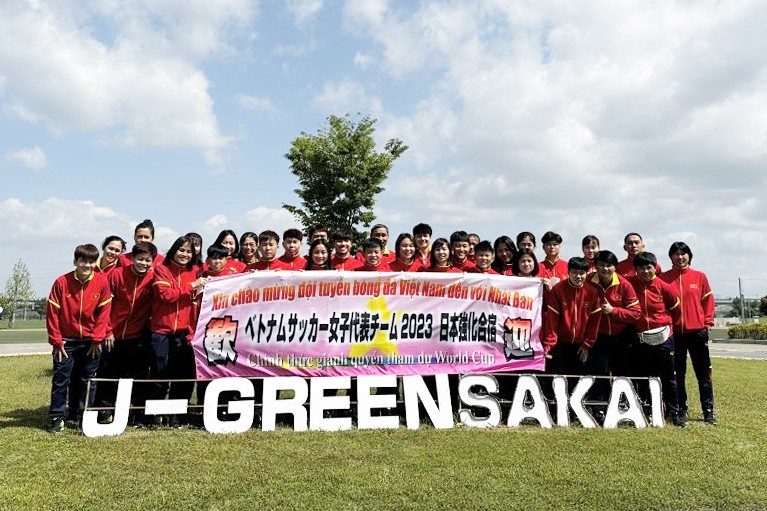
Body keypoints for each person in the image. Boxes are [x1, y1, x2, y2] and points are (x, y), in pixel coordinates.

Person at [46, 244, 112, 432]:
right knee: (61, 380)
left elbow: (104, 313)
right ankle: (57, 417)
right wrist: (56, 341)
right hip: (66, 342)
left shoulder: (101, 282)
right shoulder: (62, 282)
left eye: (91, 262)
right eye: (83, 261)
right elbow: (52, 314)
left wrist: (98, 338)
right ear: (76, 262)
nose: (87, 265)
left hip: (92, 342)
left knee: (88, 380)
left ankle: (85, 416)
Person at [96, 242, 157, 426]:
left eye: (147, 260)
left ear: (152, 262)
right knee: (109, 375)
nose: (143, 263)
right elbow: (104, 305)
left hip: (137, 336)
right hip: (112, 336)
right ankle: (105, 411)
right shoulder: (116, 275)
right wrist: (107, 331)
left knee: (137, 377)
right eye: (140, 259)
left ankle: (137, 413)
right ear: (132, 258)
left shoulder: (153, 278)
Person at [150, 235, 206, 427]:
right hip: (161, 332)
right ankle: (157, 415)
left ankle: (176, 415)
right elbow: (166, 296)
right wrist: (191, 286)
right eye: (181, 250)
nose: (184, 254)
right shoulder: (162, 270)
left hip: (185, 333)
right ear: (174, 250)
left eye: (189, 251)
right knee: (160, 374)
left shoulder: (197, 271)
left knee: (183, 376)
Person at [660, 242, 716, 425]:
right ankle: (680, 410)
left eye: (683, 253)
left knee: (703, 374)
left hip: (697, 332)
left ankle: (708, 411)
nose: (680, 257)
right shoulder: (664, 278)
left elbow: (708, 301)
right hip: (674, 334)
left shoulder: (699, 277)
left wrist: (707, 323)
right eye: (676, 254)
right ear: (671, 257)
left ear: (689, 256)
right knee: (677, 375)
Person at [627, 251, 684, 427]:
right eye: (641, 268)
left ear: (655, 267)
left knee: (668, 377)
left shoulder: (664, 286)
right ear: (635, 269)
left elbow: (675, 311)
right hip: (641, 339)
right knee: (643, 376)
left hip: (664, 339)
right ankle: (646, 410)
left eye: (648, 267)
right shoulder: (630, 285)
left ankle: (673, 411)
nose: (645, 271)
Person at [543, 257, 601, 376]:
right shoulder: (558, 290)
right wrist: (549, 345)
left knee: (580, 378)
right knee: (559, 378)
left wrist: (587, 344)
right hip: (560, 344)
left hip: (581, 345)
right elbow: (552, 320)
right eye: (574, 272)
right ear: (568, 272)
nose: (578, 276)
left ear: (586, 274)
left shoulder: (592, 292)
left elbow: (594, 322)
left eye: (582, 273)